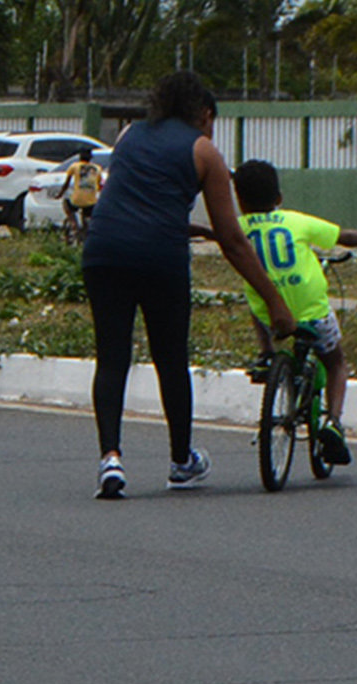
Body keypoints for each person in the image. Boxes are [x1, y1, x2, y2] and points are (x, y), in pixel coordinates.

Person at [82, 72, 294, 500]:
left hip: (103, 250)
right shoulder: (205, 152)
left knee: (112, 357)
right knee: (170, 359)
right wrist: (275, 302)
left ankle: (111, 459)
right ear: (203, 113)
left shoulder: (128, 135)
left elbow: (135, 198)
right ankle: (181, 461)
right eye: (213, 119)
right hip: (160, 257)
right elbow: (234, 241)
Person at [229, 159, 357, 468]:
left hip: (270, 315)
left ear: (239, 199)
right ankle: (333, 422)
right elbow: (343, 237)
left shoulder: (236, 229)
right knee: (336, 363)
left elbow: (214, 233)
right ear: (279, 198)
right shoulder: (297, 222)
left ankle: (267, 353)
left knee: (255, 292)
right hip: (312, 313)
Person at [62, 147, 103, 245]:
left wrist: (60, 194)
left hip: (76, 201)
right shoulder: (97, 168)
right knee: (86, 215)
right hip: (91, 202)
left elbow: (66, 184)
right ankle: (85, 231)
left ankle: (74, 224)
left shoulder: (75, 166)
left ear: (80, 157)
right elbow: (98, 184)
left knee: (65, 203)